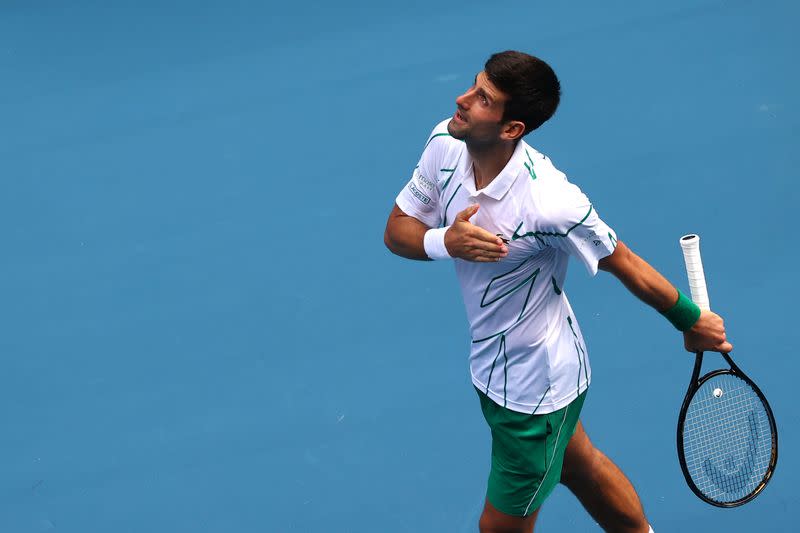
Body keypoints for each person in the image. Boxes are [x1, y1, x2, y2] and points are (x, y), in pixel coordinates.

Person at [383, 50, 731, 533]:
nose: (461, 100)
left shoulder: (551, 203)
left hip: (533, 391)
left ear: (512, 128)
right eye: (473, 85)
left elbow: (623, 261)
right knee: (577, 464)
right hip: (500, 366)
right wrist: (447, 241)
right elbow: (397, 229)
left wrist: (689, 319)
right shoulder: (446, 141)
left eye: (483, 98)